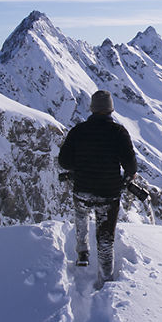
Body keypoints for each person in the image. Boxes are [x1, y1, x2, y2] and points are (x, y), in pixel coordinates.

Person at [58, 90, 137, 287]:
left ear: (92, 108)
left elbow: (64, 162)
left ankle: (82, 253)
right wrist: (127, 177)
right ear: (111, 109)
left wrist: (80, 164)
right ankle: (105, 278)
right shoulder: (119, 132)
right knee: (105, 238)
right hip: (108, 194)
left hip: (82, 188)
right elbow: (131, 166)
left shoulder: (78, 130)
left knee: (82, 220)